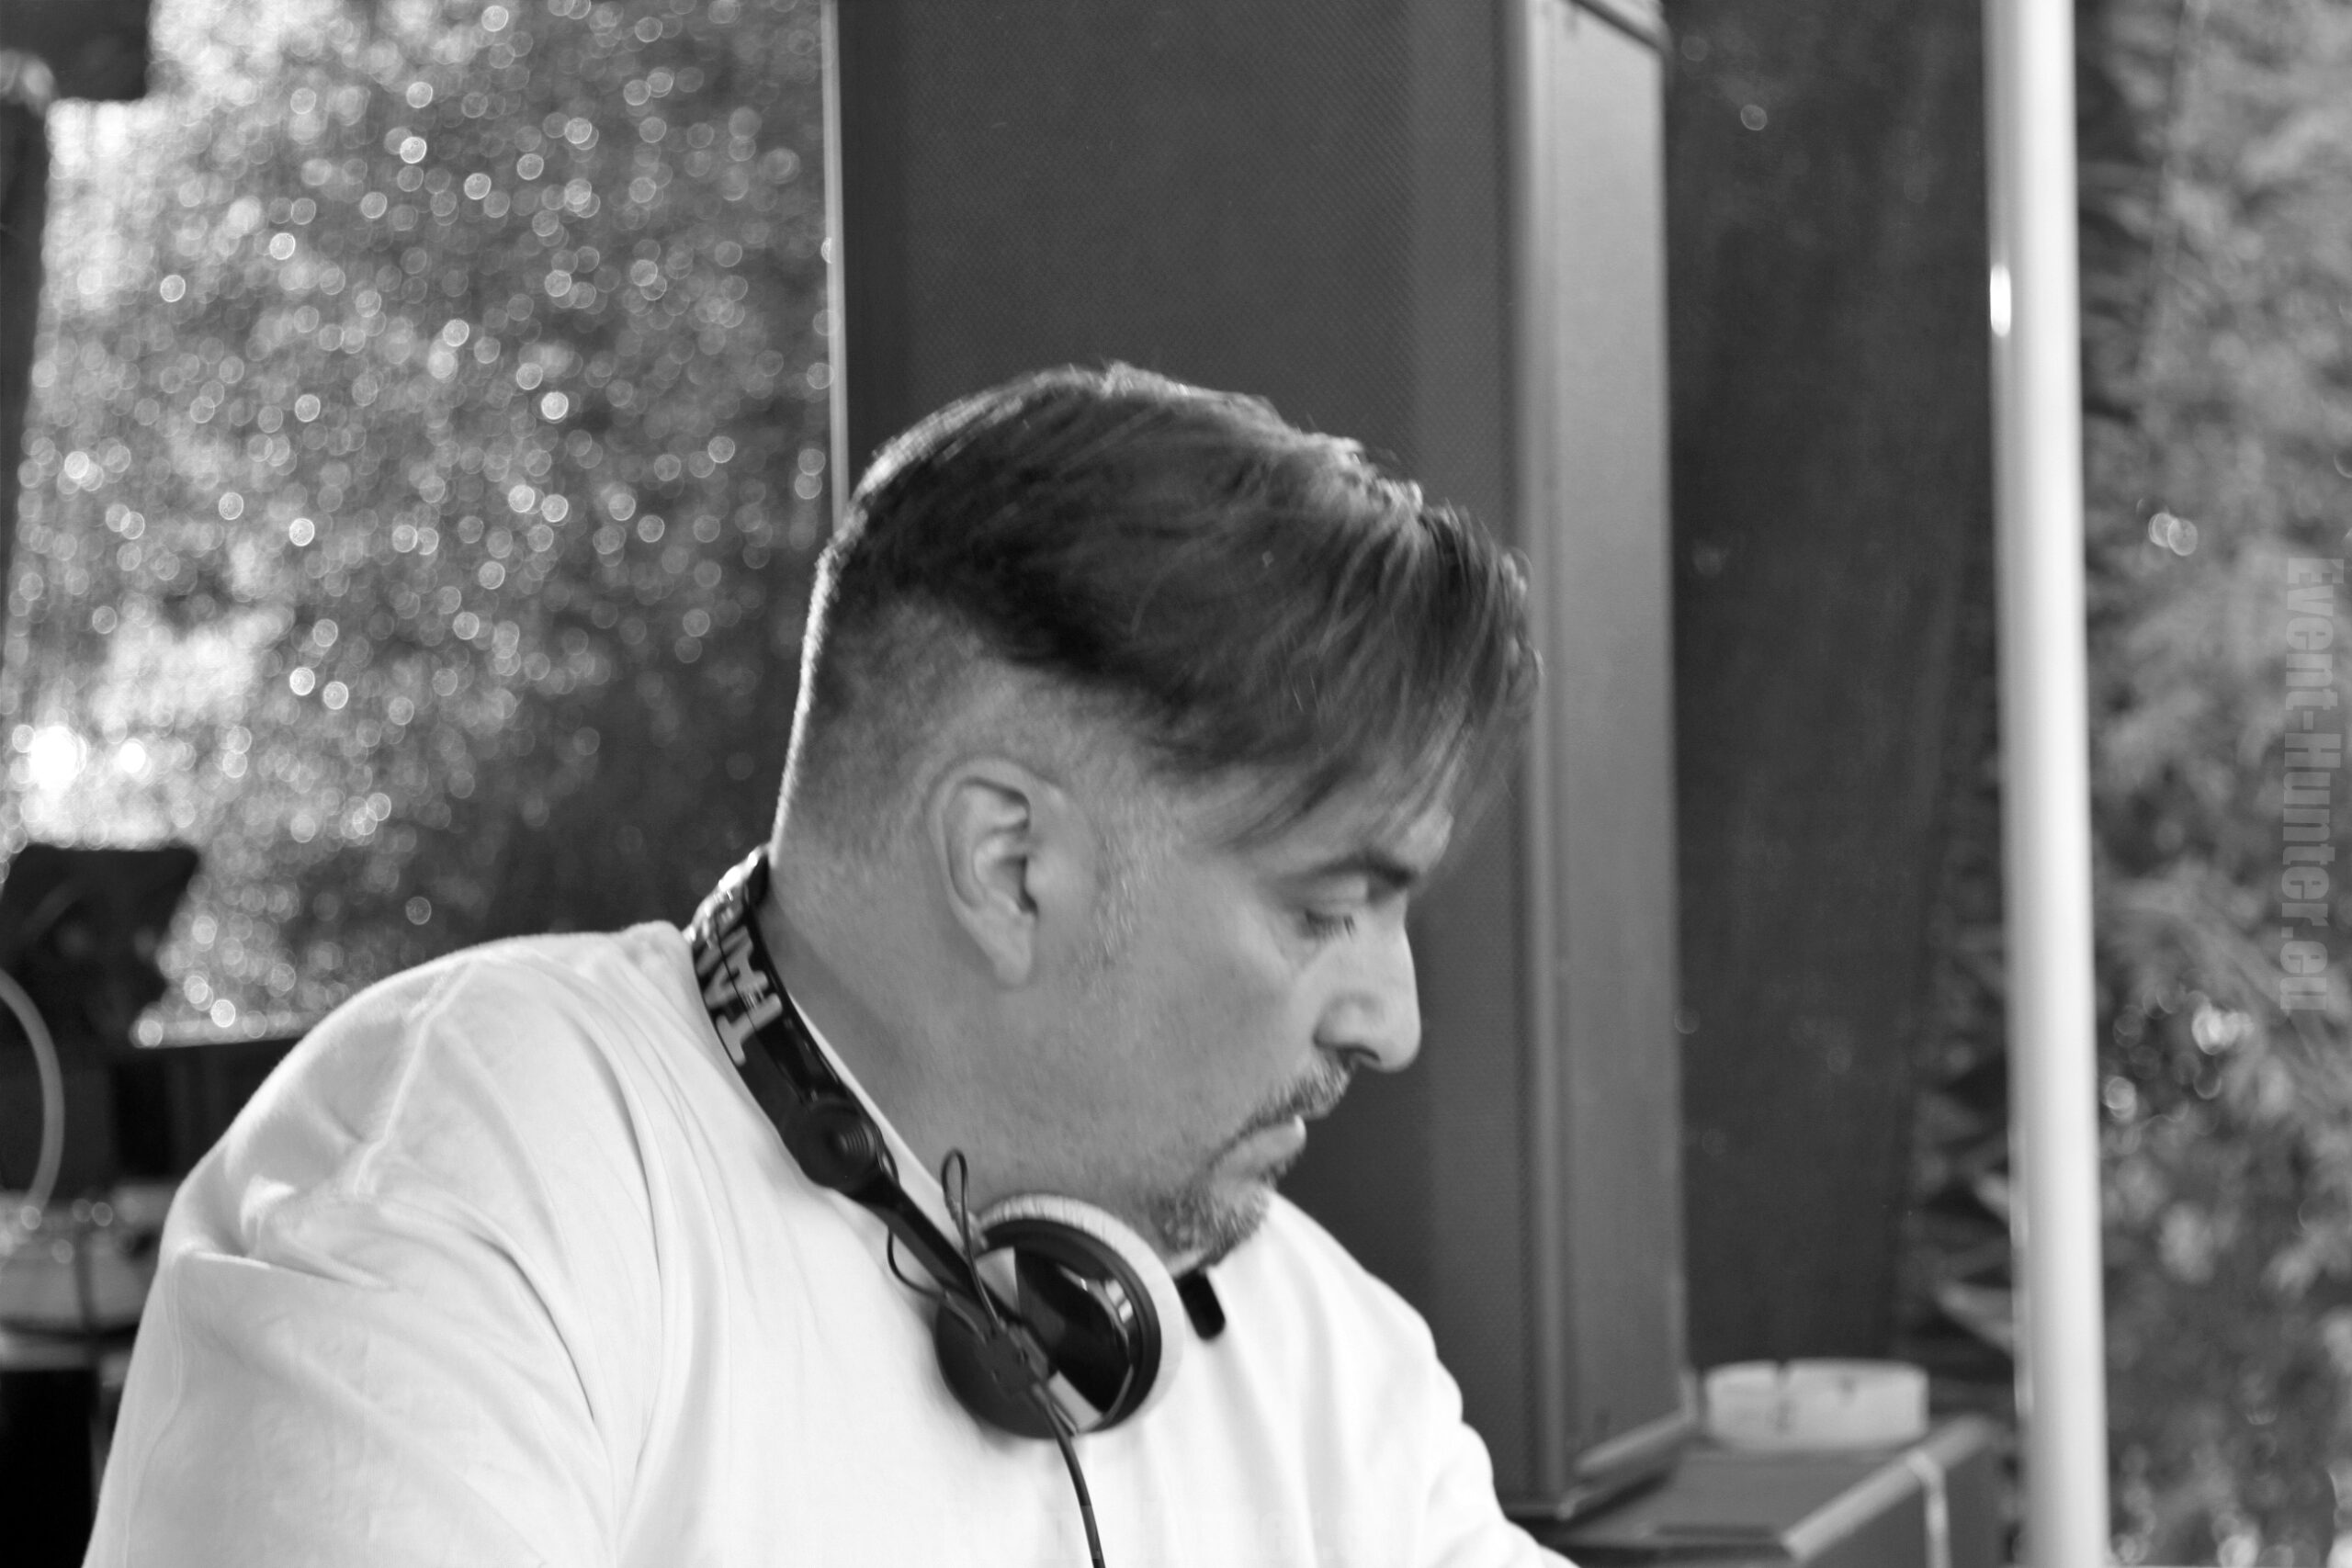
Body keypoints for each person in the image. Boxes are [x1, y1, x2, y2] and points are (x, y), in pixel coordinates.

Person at [84, 365, 1562, 1566]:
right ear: (1009, 865)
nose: (1393, 1024)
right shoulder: (468, 1173)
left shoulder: (1317, 1346)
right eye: (1325, 911)